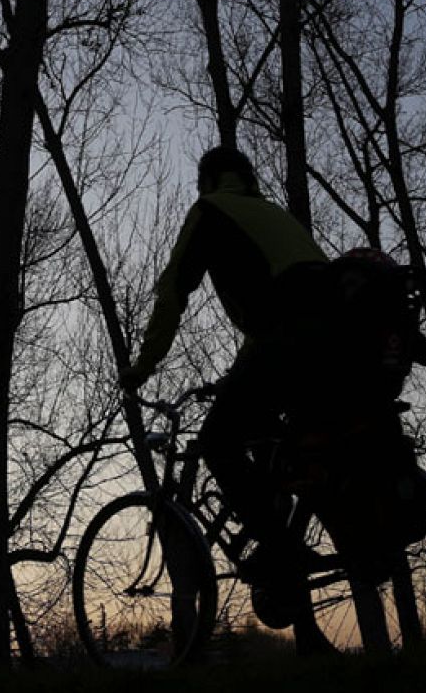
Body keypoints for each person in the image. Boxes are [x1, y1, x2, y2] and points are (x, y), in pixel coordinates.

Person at [119, 146, 328, 580]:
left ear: (209, 181)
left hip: (286, 343)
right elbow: (279, 303)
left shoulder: (211, 211)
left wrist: (143, 367)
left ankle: (281, 549)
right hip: (333, 341)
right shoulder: (270, 214)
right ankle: (285, 529)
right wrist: (238, 373)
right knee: (274, 441)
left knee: (217, 442)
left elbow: (172, 292)